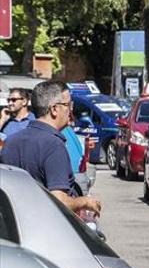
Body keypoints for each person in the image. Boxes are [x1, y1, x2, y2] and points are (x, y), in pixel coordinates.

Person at [0, 81, 101, 215]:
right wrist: (85, 202)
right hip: (47, 228)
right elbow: (59, 201)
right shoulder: (53, 145)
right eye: (68, 105)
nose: (70, 110)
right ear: (54, 109)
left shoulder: (10, 142)